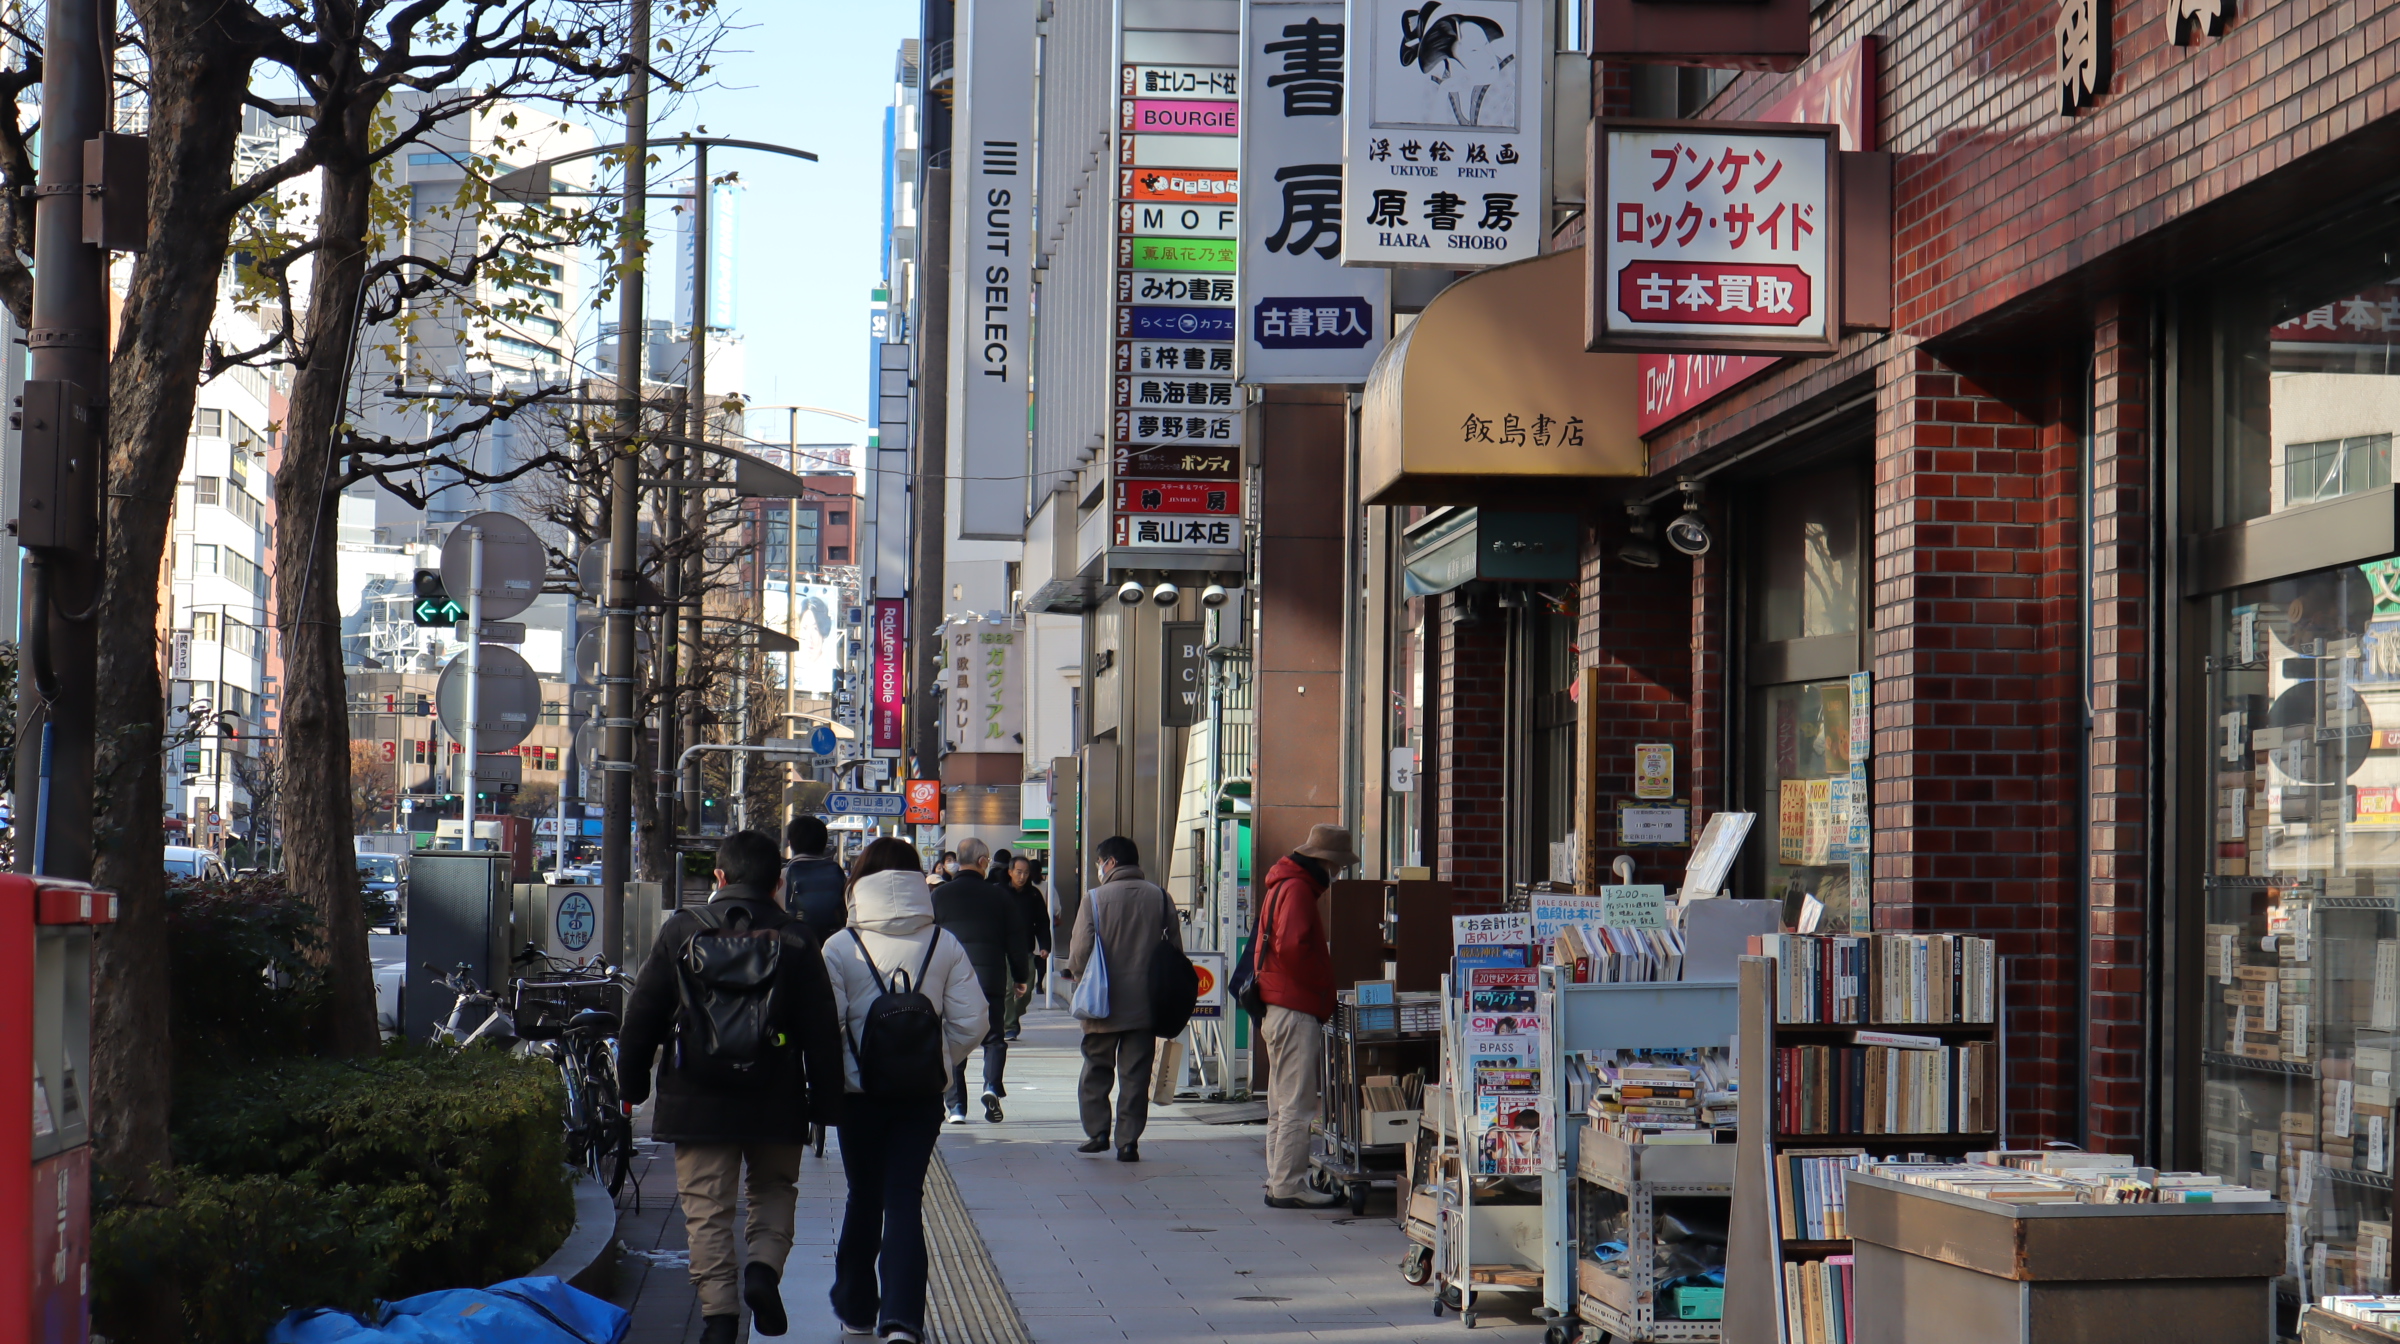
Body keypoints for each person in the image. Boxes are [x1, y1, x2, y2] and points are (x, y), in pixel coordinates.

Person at [620, 830, 845, 1343]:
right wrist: (826, 1106)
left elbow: (643, 1016)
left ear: (719, 878)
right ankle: (763, 1271)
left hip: (696, 1095)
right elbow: (820, 1027)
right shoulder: (796, 938)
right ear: (778, 883)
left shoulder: (683, 930)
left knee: (706, 1210)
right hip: (777, 1091)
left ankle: (720, 1319)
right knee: (772, 1189)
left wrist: (631, 1086)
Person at [822, 838, 989, 1344]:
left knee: (862, 1196)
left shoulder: (839, 946)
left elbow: (826, 1026)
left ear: (859, 883)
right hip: (919, 1097)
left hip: (859, 1096)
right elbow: (974, 1021)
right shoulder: (943, 943)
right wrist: (938, 1061)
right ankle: (902, 1322)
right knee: (903, 1198)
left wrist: (850, 1069)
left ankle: (856, 1308)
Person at [1255, 824, 1354, 1208]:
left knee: (1281, 1104)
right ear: (1325, 861)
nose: (1339, 873)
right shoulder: (1298, 889)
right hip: (1296, 1008)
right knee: (1297, 1104)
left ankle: (1278, 1178)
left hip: (1277, 1006)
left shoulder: (1283, 884)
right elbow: (1294, 948)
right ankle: (1289, 1185)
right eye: (1339, 865)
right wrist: (1320, 989)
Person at [1067, 835, 1182, 1163]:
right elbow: (1175, 952)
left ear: (1111, 862)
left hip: (1101, 1005)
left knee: (1096, 1069)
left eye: (1099, 862)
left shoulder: (1095, 899)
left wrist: (1077, 977)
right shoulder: (1161, 898)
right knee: (1135, 1075)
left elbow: (1079, 953)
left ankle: (1097, 1132)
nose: (1098, 869)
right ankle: (1128, 1141)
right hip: (1146, 1007)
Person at [930, 836, 1030, 1122]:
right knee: (994, 1039)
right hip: (990, 979)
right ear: (983, 862)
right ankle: (991, 1086)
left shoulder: (940, 895)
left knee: (952, 1039)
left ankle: (957, 1107)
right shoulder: (1000, 896)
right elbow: (1016, 941)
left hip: (951, 982)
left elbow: (930, 939)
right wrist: (1020, 977)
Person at [1002, 855, 1051, 1036]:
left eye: (1026, 873)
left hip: (1026, 949)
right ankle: (1009, 1026)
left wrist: (1045, 945)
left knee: (1027, 990)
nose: (1022, 877)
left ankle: (1012, 1017)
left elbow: (1042, 922)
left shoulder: (1034, 895)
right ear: (1010, 872)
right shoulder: (1000, 892)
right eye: (1018, 872)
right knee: (1007, 989)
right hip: (1004, 949)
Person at [784, 815, 848, 947]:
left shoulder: (783, 874)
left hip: (796, 945)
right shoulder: (837, 871)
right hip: (835, 943)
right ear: (824, 843)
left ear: (790, 843)